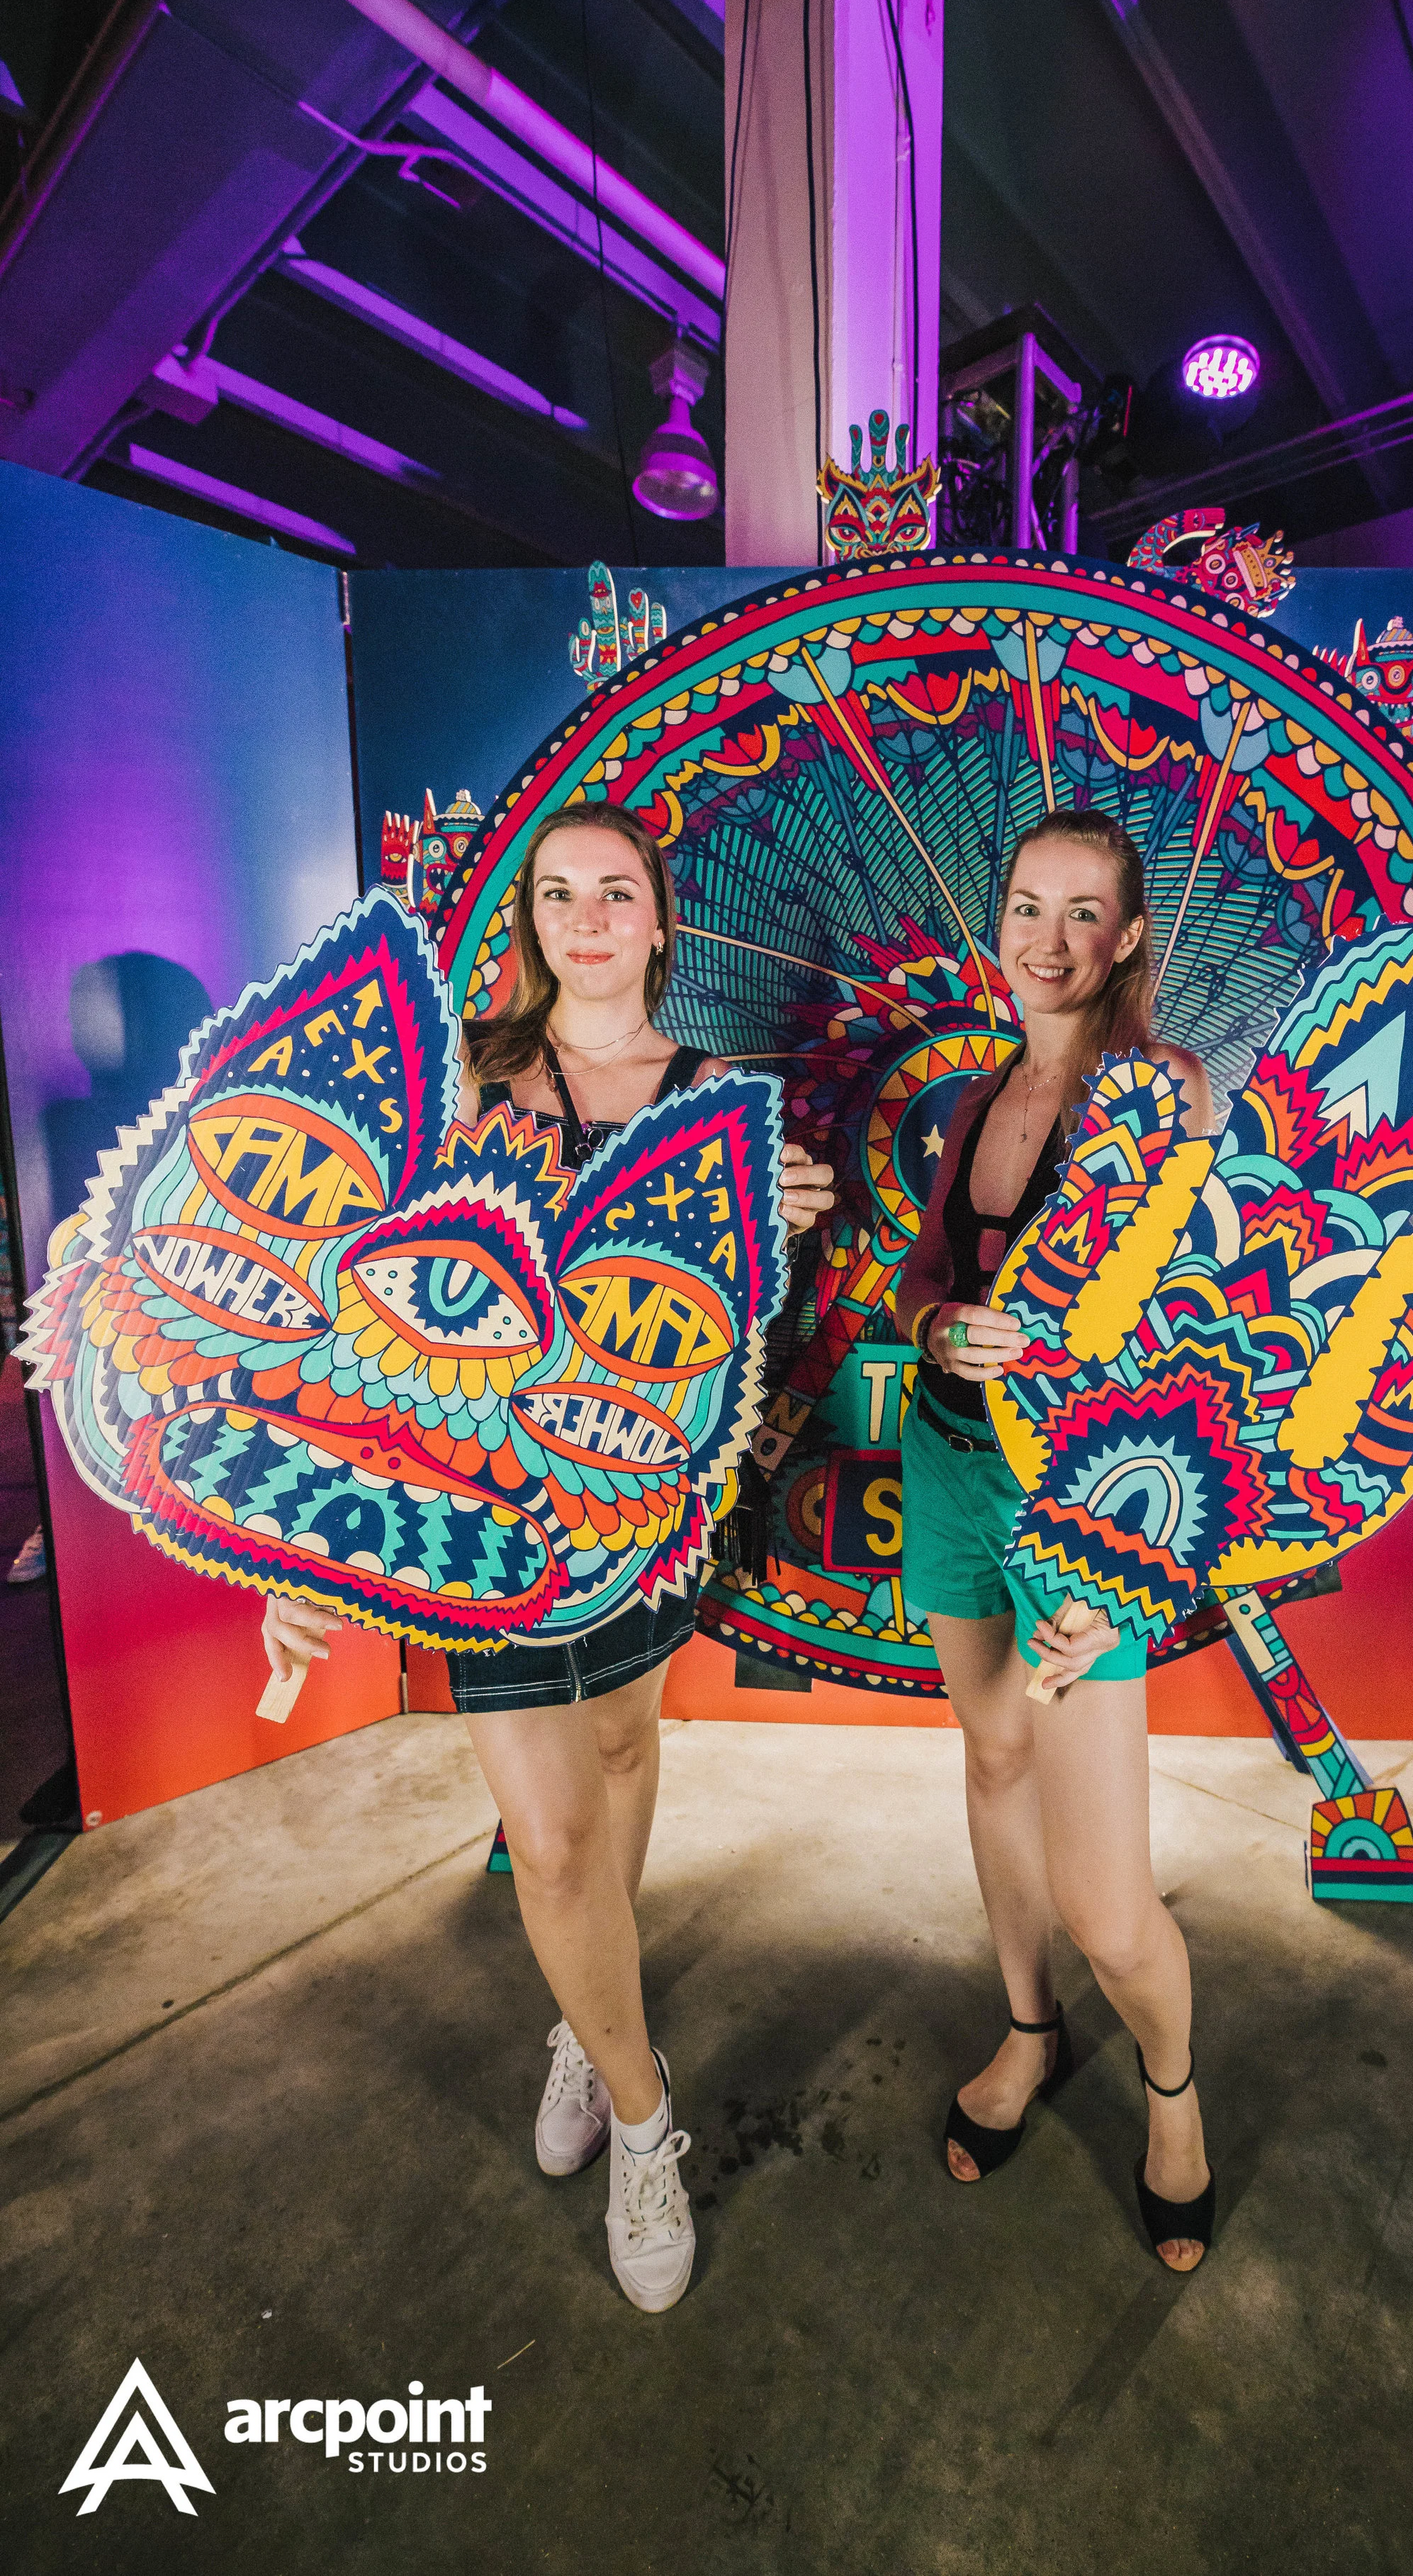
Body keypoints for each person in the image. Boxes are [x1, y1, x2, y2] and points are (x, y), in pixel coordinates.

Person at [264, 803, 833, 2314]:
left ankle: (589, 2024)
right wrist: (313, 1543)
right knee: (558, 1839)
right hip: (483, 1525)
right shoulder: (453, 1090)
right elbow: (358, 1319)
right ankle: (647, 2123)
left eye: (617, 894)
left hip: (641, 1518)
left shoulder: (723, 1104)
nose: (586, 919)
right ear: (528, 921)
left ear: (661, 922)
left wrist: (775, 1236)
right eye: (558, 895)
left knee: (626, 1747)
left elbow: (749, 1341)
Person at [894, 808, 1219, 2273]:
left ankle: (1170, 2090)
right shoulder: (979, 1099)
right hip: (951, 1467)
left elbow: (1204, 1350)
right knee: (988, 1758)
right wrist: (934, 1326)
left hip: (1087, 1510)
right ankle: (1028, 2034)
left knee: (1105, 1898)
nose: (1049, 938)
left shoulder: (1162, 1100)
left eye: (1084, 914)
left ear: (1129, 937)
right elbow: (922, 1272)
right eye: (1028, 905)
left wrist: (1125, 1559)